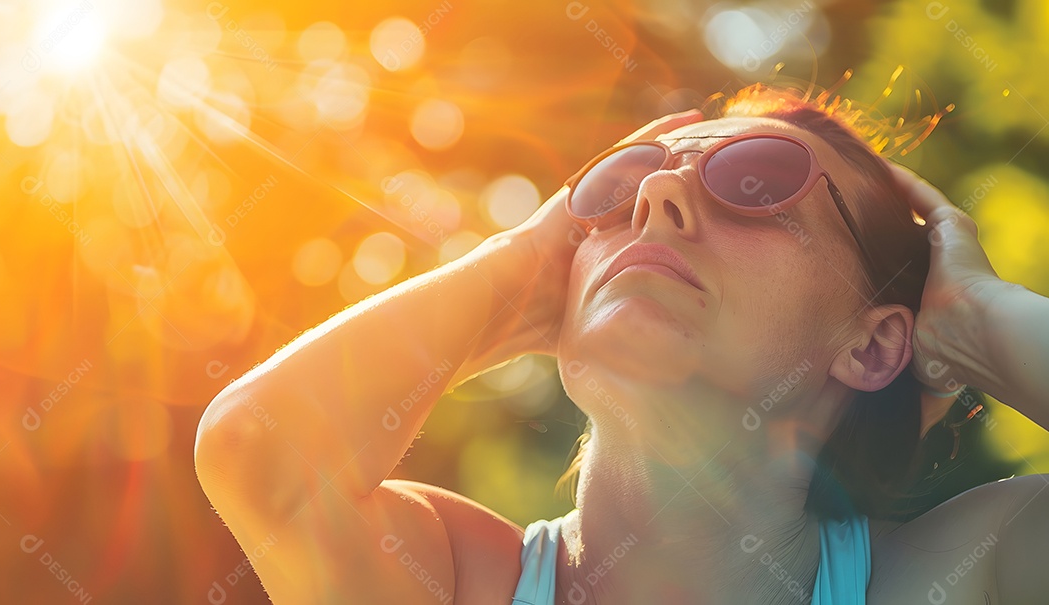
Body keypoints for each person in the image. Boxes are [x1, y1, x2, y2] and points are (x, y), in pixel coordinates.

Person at [193, 84, 1049, 604]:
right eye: (616, 189)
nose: (659, 195)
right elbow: (256, 453)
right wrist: (513, 268)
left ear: (870, 346)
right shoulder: (465, 582)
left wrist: (977, 318)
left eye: (757, 182)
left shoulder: (957, 574)